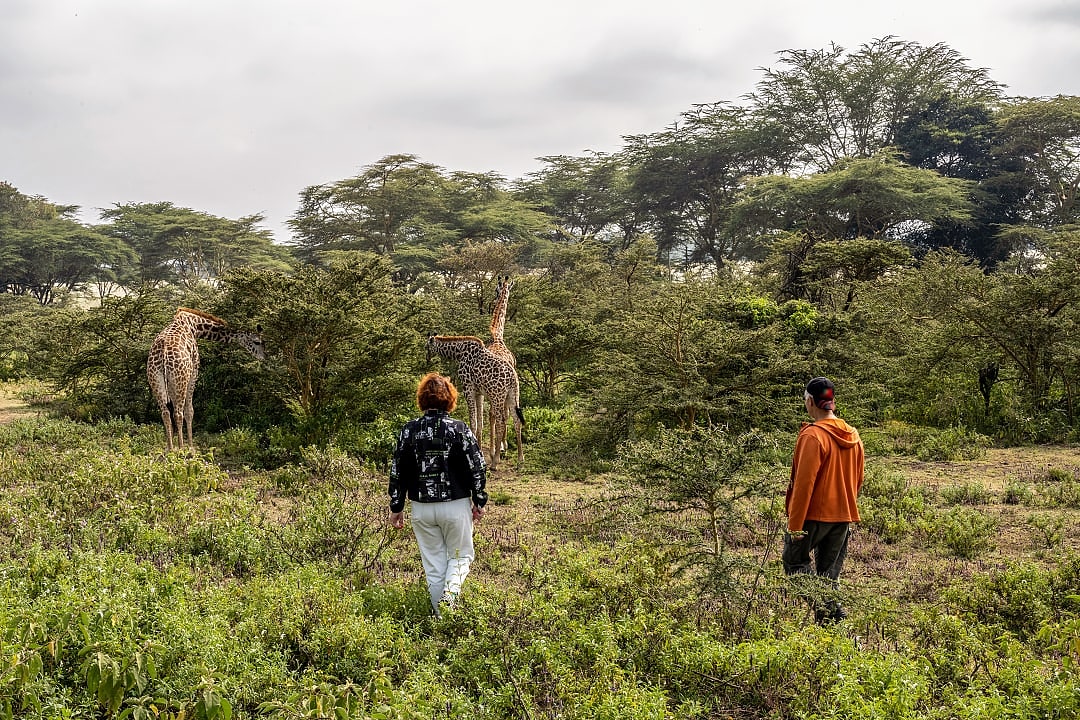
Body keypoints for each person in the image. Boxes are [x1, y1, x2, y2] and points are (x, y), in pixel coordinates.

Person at [389, 372, 488, 616]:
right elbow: (478, 465)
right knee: (461, 556)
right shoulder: (459, 429)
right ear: (450, 399)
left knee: (434, 566)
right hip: (455, 504)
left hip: (421, 507)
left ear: (422, 399)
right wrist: (480, 500)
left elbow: (397, 470)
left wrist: (396, 507)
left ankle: (441, 619)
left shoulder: (408, 430)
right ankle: (451, 596)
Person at [783, 376, 864, 624]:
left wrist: (795, 524)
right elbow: (858, 479)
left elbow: (803, 484)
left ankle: (832, 612)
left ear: (810, 402)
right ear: (832, 403)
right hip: (843, 515)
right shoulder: (853, 435)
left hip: (814, 516)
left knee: (794, 563)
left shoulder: (813, 436)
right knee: (828, 576)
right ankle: (830, 630)